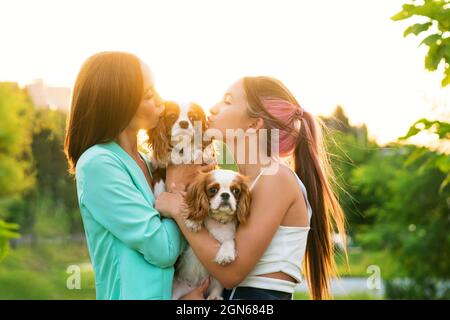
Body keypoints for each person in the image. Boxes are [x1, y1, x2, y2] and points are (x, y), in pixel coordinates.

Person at [156, 76, 347, 300]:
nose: (212, 108)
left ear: (254, 124)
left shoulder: (276, 179)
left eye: (227, 101)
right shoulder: (241, 181)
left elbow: (231, 273)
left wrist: (180, 210)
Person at [64, 51, 212, 299]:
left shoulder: (145, 161)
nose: (160, 102)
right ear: (119, 105)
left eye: (157, 90)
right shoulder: (99, 164)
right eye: (148, 95)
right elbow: (162, 249)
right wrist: (176, 187)